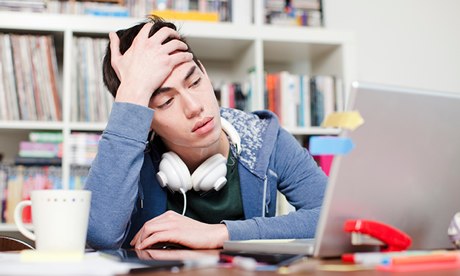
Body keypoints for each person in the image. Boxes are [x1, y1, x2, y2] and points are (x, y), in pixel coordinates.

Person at [84, 15, 327, 250]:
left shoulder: (263, 138)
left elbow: (332, 217)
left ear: (205, 73)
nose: (194, 107)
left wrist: (220, 233)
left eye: (195, 82)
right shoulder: (132, 154)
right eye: (166, 101)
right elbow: (99, 234)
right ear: (143, 116)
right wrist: (132, 94)